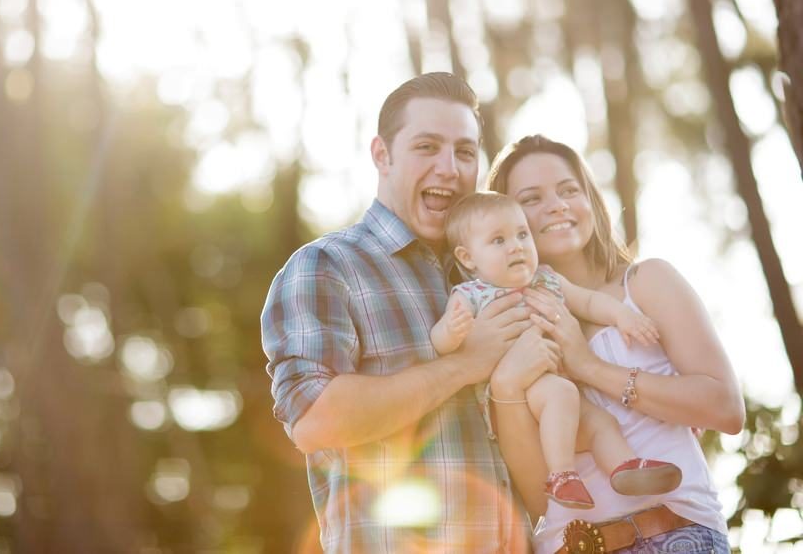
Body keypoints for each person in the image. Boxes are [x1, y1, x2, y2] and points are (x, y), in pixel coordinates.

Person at [261, 73, 558, 552]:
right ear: (382, 154)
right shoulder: (327, 267)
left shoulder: (495, 271)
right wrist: (464, 364)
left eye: (465, 151)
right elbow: (315, 421)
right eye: (427, 147)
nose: (450, 168)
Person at [484, 135, 744, 554]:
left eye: (569, 190)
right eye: (532, 199)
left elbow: (725, 408)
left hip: (674, 535)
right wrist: (509, 388)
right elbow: (536, 499)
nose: (557, 205)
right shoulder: (505, 327)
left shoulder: (644, 285)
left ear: (591, 200)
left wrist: (588, 367)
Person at [431, 191, 681, 511]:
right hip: (521, 394)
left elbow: (588, 301)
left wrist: (623, 315)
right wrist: (451, 331)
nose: (516, 245)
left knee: (600, 422)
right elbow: (440, 342)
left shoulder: (546, 279)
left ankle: (625, 467)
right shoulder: (471, 295)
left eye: (522, 234)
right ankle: (562, 475)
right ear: (468, 258)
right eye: (498, 240)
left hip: (560, 388)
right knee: (563, 394)